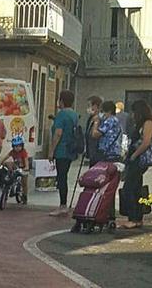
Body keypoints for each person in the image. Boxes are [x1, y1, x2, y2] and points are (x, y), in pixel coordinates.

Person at [119, 100, 152, 229]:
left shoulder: (148, 123)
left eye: (134, 111)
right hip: (134, 159)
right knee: (136, 188)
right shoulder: (140, 123)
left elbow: (146, 142)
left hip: (138, 160)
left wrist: (134, 155)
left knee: (128, 189)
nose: (132, 114)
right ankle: (137, 218)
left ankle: (133, 217)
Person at [48, 89, 78, 217]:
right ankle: (63, 204)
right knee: (63, 176)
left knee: (61, 178)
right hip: (71, 149)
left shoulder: (61, 115)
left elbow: (58, 133)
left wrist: (51, 150)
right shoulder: (74, 115)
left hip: (62, 150)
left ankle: (62, 205)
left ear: (62, 101)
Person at [0, 135, 30, 203]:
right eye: (16, 146)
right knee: (9, 170)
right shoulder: (12, 152)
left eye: (19, 146)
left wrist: (26, 167)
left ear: (22, 146)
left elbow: (26, 160)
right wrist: (2, 162)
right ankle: (10, 188)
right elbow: (7, 156)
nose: (17, 148)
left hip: (23, 168)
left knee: (24, 183)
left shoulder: (23, 152)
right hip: (16, 167)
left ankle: (25, 196)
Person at [85, 95, 102, 167]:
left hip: (97, 153)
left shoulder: (100, 119)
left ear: (95, 106)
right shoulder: (90, 118)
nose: (88, 108)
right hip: (91, 152)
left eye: (89, 105)